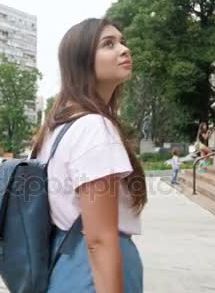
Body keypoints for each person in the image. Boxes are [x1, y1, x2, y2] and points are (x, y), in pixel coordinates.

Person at [31, 18, 147, 292]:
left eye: (122, 41)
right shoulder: (93, 127)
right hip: (93, 273)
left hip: (67, 265)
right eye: (109, 44)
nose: (124, 49)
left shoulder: (57, 128)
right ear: (83, 62)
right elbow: (99, 239)